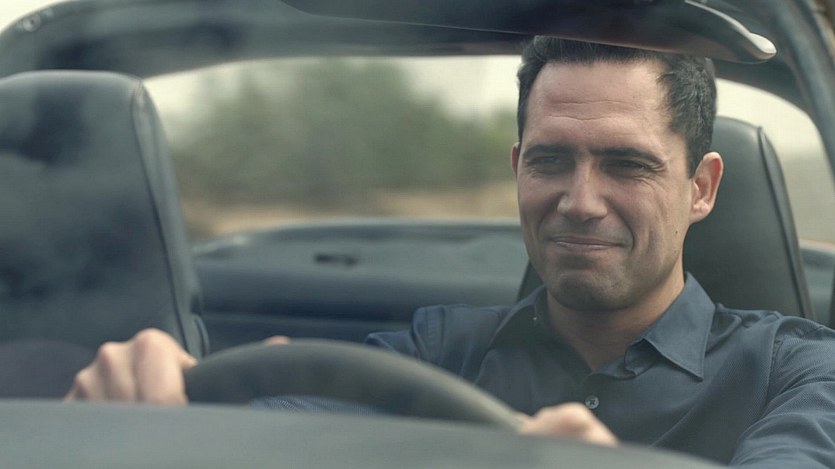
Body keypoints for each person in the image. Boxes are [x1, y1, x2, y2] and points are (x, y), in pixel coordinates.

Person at [65, 38, 835, 467]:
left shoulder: (800, 372)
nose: (579, 200)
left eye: (625, 164)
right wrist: (162, 409)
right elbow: (278, 432)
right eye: (549, 160)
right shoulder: (436, 349)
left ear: (700, 188)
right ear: (517, 169)